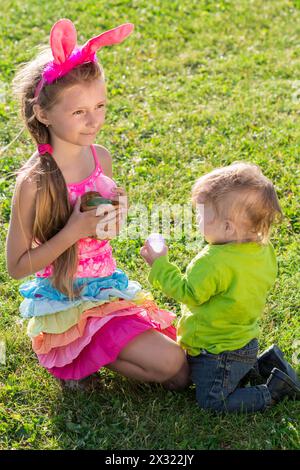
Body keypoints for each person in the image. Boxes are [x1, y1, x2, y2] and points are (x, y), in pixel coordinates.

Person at [5, 19, 189, 390]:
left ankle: (85, 353)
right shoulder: (34, 183)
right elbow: (16, 266)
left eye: (100, 106)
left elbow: (105, 234)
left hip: (105, 288)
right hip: (64, 302)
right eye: (79, 112)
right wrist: (72, 231)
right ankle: (72, 350)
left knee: (180, 372)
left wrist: (116, 215)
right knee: (174, 367)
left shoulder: (99, 158)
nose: (94, 121)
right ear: (43, 114)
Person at [141, 162, 300, 412]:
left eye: (202, 215)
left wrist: (159, 265)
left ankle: (273, 391)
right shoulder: (263, 249)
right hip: (244, 340)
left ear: (228, 227)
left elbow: (188, 293)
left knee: (213, 401)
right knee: (233, 370)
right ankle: (266, 363)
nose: (197, 219)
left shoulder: (212, 262)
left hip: (215, 352)